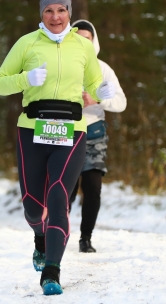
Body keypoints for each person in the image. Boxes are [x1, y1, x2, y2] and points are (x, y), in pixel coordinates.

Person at [0, 0, 116, 295]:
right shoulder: (27, 43)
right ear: (42, 14)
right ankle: (39, 235)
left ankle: (52, 271)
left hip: (72, 131)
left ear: (69, 13)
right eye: (49, 11)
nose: (55, 17)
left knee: (60, 196)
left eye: (61, 10)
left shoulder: (82, 47)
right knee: (34, 207)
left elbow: (92, 84)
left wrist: (102, 93)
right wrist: (25, 79)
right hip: (32, 129)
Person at [68, 19, 127, 253]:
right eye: (79, 38)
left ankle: (86, 238)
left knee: (92, 187)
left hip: (93, 133)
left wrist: (97, 100)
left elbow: (121, 102)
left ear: (94, 42)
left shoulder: (103, 69)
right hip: (66, 134)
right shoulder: (63, 64)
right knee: (67, 190)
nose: (84, 42)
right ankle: (58, 233)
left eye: (88, 38)